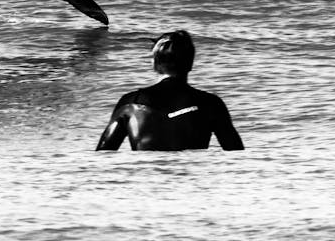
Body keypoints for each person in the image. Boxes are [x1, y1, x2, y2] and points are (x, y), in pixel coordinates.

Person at [96, 30, 244, 151]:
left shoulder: (129, 104)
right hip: (193, 184)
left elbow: (102, 156)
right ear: (191, 63)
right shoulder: (211, 104)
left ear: (154, 63)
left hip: (145, 184)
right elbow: (237, 156)